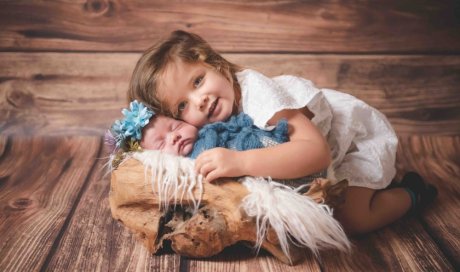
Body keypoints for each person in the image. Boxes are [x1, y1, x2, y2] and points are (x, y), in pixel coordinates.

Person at [126, 30, 437, 234]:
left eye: (197, 81)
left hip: (353, 140)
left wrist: (240, 162)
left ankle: (412, 193)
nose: (200, 100)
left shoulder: (257, 93)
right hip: (309, 155)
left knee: (350, 220)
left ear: (216, 65)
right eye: (182, 106)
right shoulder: (206, 131)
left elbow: (316, 154)